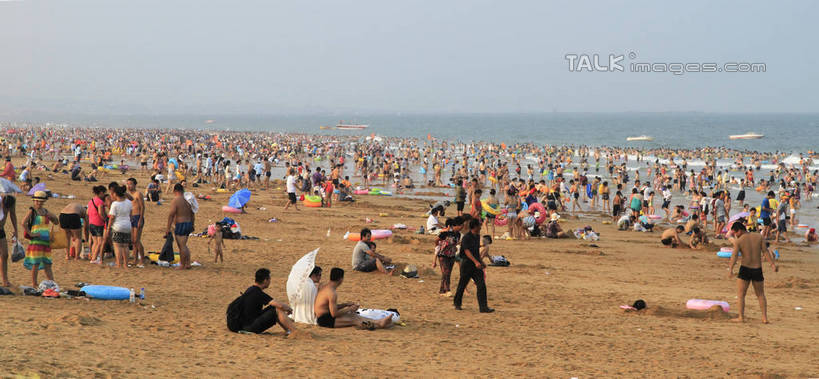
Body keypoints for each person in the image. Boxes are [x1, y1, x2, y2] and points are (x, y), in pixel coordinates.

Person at [727, 222, 778, 323]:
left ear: (740, 230)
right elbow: (765, 252)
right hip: (757, 269)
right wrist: (772, 265)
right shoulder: (759, 237)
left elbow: (734, 256)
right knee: (760, 294)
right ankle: (764, 318)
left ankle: (741, 317)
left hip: (745, 268)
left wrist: (731, 269)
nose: (735, 235)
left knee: (741, 294)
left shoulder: (739, 241)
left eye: (735, 233)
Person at [314, 268, 392, 330]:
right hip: (325, 320)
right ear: (341, 279)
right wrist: (350, 309)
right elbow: (334, 314)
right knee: (354, 320)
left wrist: (345, 305)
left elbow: (328, 307)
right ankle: (378, 325)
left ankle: (378, 321)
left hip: (326, 316)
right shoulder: (332, 293)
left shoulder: (326, 287)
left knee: (353, 315)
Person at [453, 218, 494, 313]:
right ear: (474, 226)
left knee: (481, 285)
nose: (480, 227)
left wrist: (480, 261)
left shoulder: (477, 236)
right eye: (479, 225)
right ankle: (457, 303)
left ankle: (483, 307)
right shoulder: (467, 237)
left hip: (476, 265)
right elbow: (467, 252)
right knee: (462, 285)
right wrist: (476, 262)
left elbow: (475, 251)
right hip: (467, 264)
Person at [237, 268, 295, 334]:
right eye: (269, 279)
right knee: (277, 309)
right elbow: (280, 305)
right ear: (265, 280)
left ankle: (288, 331)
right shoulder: (258, 293)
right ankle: (294, 331)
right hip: (250, 327)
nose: (270, 281)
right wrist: (289, 309)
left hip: (245, 324)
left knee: (273, 309)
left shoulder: (250, 289)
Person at [22, 191, 58, 287]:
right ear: (34, 201)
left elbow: (56, 221)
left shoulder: (45, 211)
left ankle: (52, 283)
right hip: (36, 241)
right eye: (37, 201)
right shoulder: (32, 211)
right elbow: (23, 223)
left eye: (41, 201)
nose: (39, 203)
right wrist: (31, 234)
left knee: (48, 263)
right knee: (36, 263)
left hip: (46, 241)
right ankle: (34, 284)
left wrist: (53, 218)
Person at [166, 183, 194, 270]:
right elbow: (192, 214)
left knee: (181, 245)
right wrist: (192, 224)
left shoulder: (176, 200)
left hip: (181, 224)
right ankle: (188, 263)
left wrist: (168, 228)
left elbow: (171, 215)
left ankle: (182, 264)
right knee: (184, 245)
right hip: (188, 223)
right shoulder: (187, 201)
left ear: (175, 191)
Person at [432, 217, 462, 296]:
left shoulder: (458, 234)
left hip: (451, 255)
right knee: (446, 272)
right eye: (461, 226)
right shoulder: (446, 233)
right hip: (443, 255)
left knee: (447, 273)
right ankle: (447, 289)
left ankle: (442, 290)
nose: (462, 228)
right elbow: (436, 240)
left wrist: (455, 248)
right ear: (456, 225)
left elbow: (456, 243)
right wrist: (438, 248)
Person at [107, 185, 132, 269]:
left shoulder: (115, 204)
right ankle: (126, 264)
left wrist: (108, 228)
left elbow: (112, 218)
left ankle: (119, 263)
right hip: (127, 226)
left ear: (116, 194)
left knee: (118, 246)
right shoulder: (129, 202)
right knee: (125, 246)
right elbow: (130, 215)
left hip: (118, 226)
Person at [126, 178, 145, 265]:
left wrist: (140, 219)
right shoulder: (129, 195)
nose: (129, 186)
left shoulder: (138, 194)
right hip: (132, 218)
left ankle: (142, 260)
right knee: (133, 240)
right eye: (128, 184)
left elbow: (142, 207)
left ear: (135, 185)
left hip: (138, 217)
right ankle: (135, 259)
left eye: (130, 184)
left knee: (137, 240)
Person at [0, 195, 18, 286]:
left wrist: (16, 230)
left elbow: (13, 215)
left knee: (5, 254)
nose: (6, 210)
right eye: (5, 207)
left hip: (1, 230)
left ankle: (5, 280)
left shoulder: (11, 202)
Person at [87, 186, 108, 264]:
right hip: (98, 223)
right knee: (100, 242)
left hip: (91, 222)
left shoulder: (91, 201)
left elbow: (87, 212)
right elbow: (101, 213)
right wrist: (105, 219)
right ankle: (94, 258)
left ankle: (93, 257)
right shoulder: (100, 202)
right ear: (101, 193)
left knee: (95, 242)